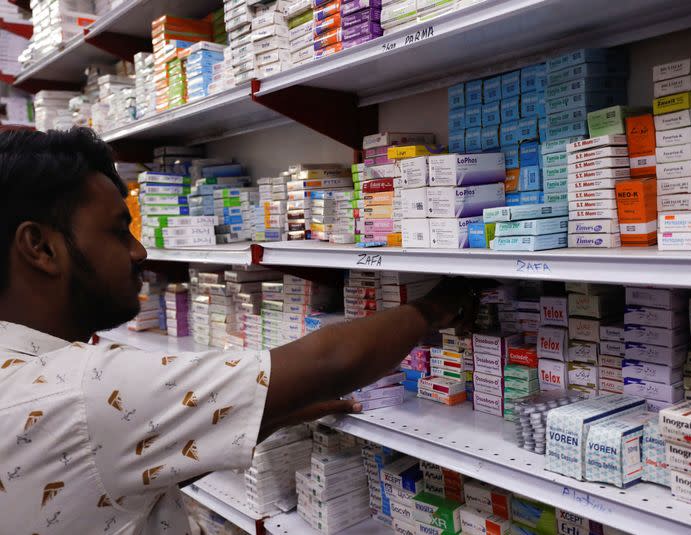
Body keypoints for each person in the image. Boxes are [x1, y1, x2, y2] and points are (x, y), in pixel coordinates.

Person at [0, 127, 479, 534]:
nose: (140, 252)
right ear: (39, 247)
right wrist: (436, 306)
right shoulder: (84, 394)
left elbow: (104, 479)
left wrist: (264, 415)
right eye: (117, 230)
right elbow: (333, 361)